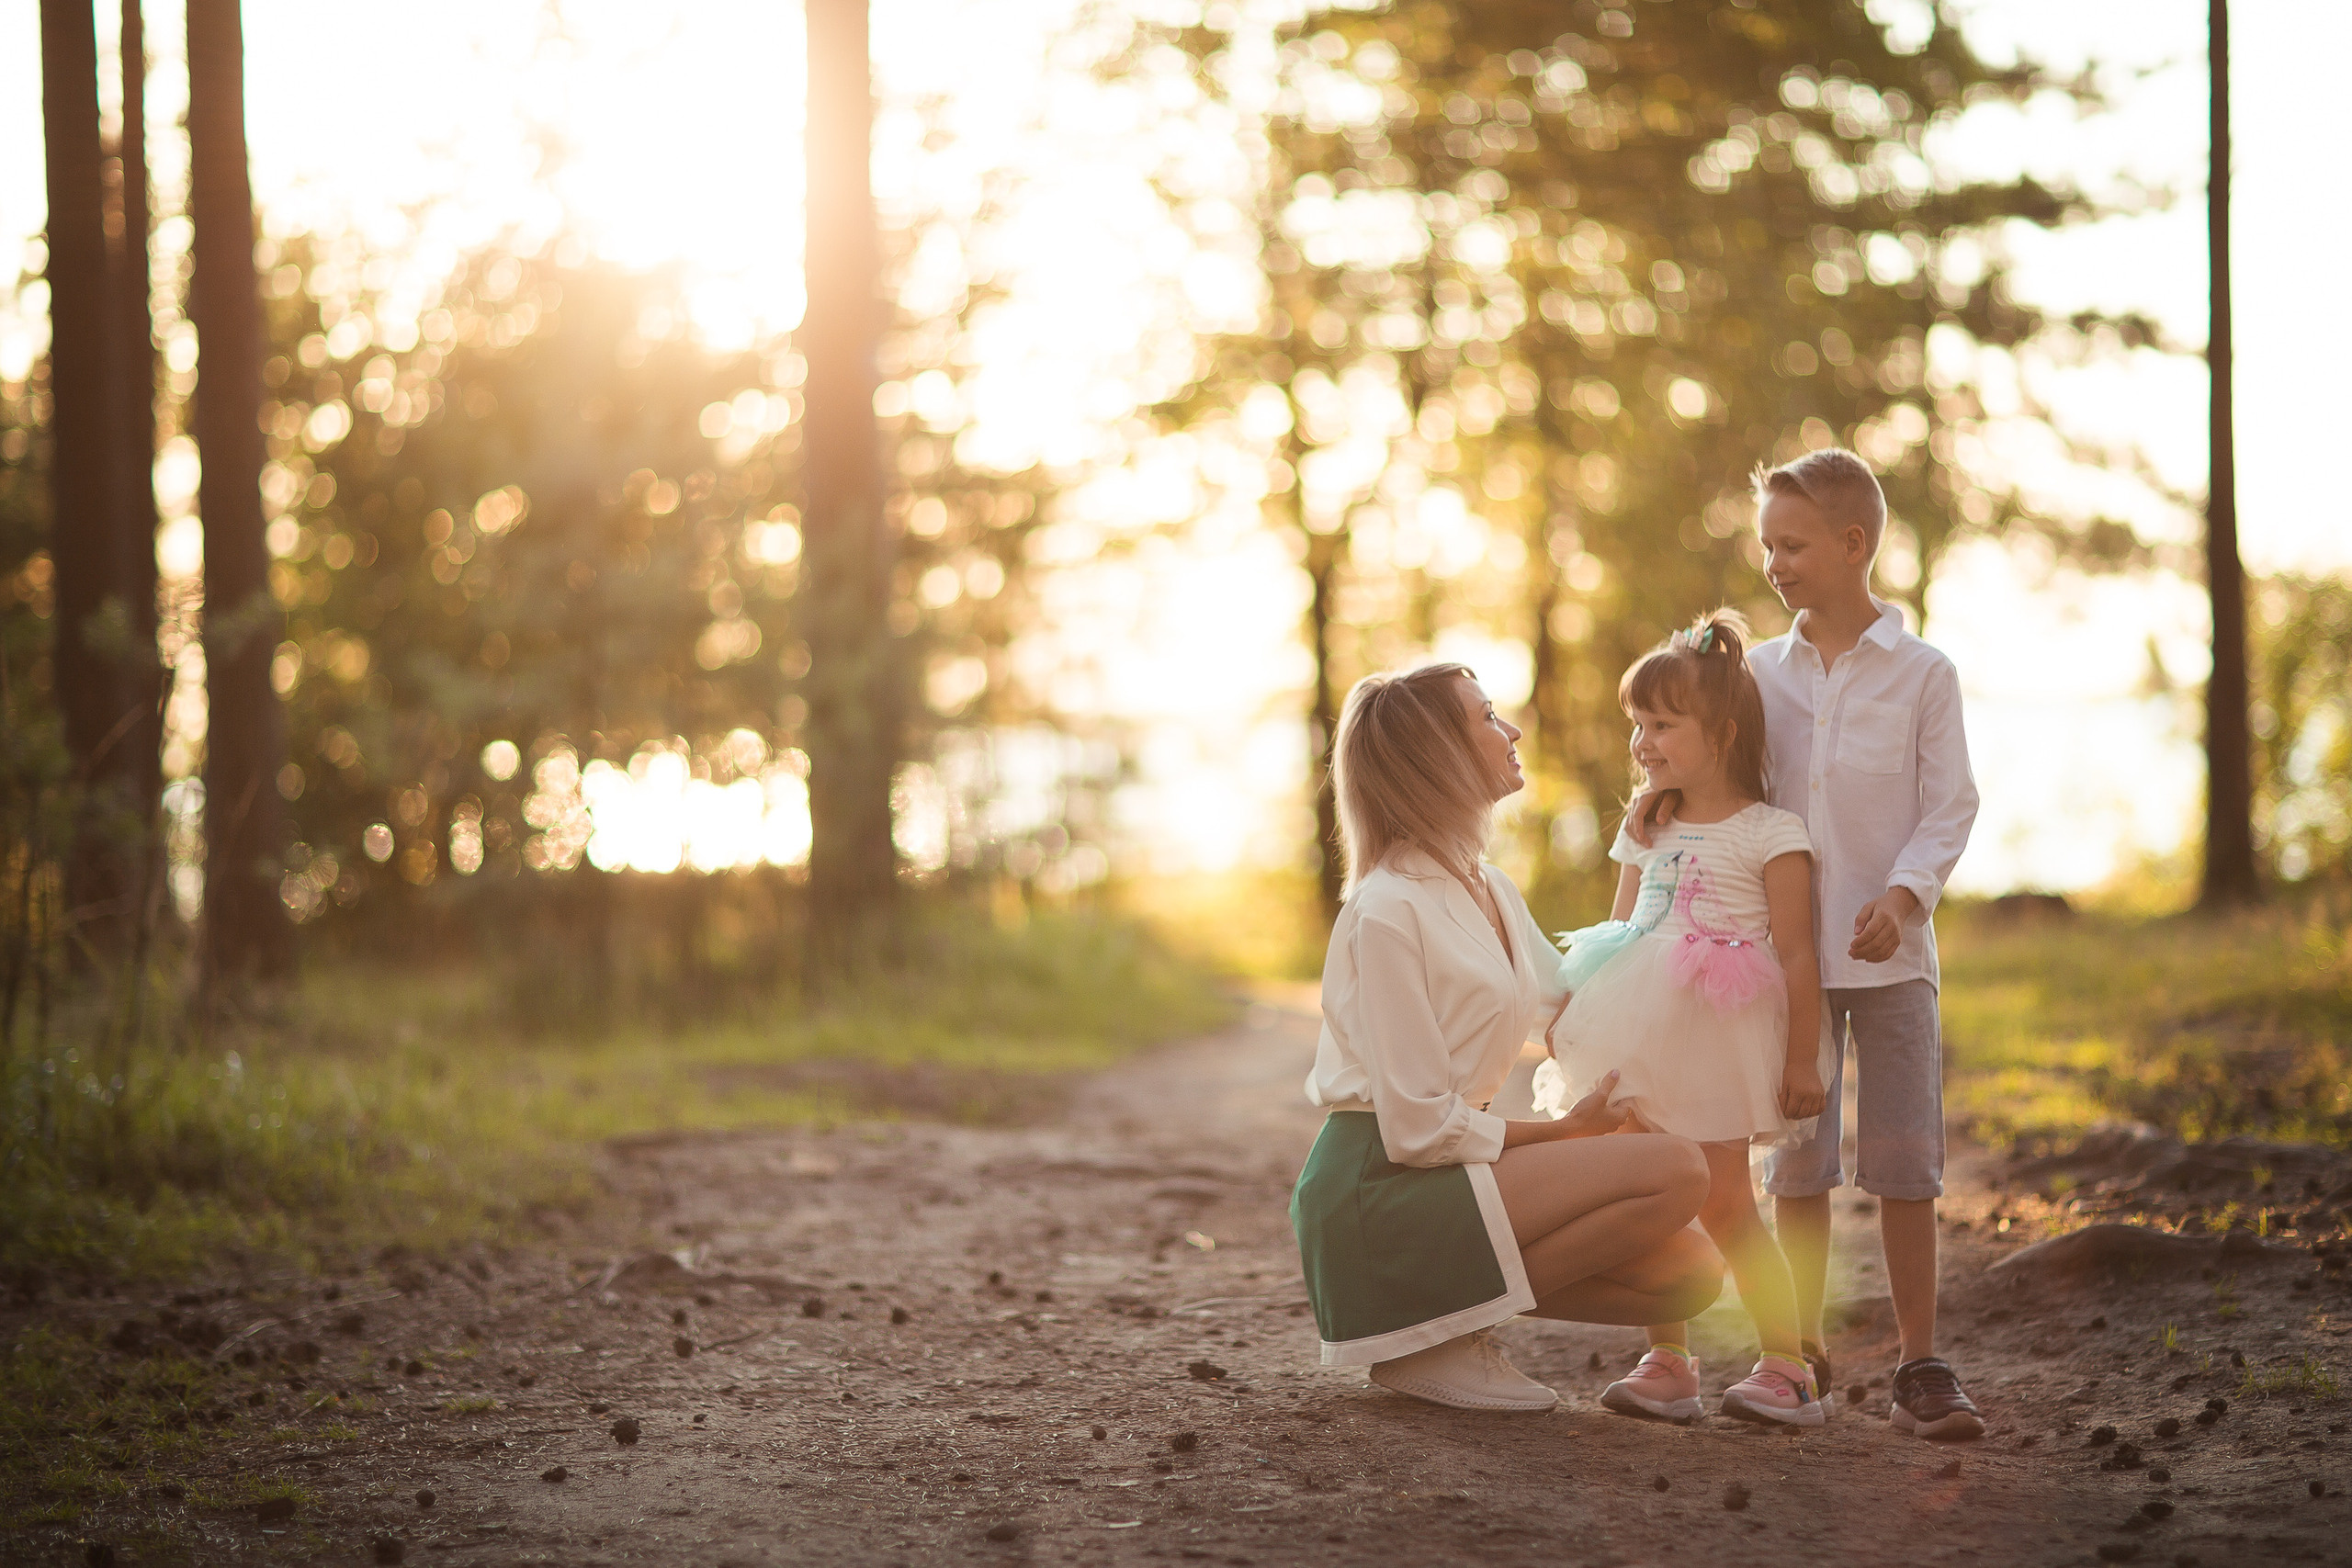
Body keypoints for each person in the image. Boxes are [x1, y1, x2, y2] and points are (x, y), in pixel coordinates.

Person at [1630, 447, 1984, 1439]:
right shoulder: (1760, 677)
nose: (1774, 562)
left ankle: (1919, 1361)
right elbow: (1720, 773)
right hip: (1776, 963)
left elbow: (1949, 803)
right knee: (1796, 1166)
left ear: (1852, 544)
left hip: (1891, 960)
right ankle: (1802, 1353)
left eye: (1791, 545)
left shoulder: (1923, 675)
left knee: (1906, 1162)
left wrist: (1906, 899)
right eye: (1767, 546)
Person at [1291, 662, 1724, 1413]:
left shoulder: (1487, 885)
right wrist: (1563, 1134)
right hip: (1377, 1188)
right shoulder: (1386, 909)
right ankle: (1434, 1333)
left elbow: (1575, 1002)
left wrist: (1652, 855)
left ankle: (1440, 1324)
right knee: (1676, 1170)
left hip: (1438, 1174)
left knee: (1689, 1269)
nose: (1513, 730)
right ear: (1439, 755)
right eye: (1488, 717)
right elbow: (1417, 1126)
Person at [1532, 609, 1833, 1427]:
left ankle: (1786, 1364)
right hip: (1638, 1030)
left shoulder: (1771, 831)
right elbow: (1618, 934)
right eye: (1639, 724)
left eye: (1663, 725)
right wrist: (1572, 1014)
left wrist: (1801, 1060)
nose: (1644, 742)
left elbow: (1798, 954)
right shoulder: (1646, 824)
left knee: (1729, 1201)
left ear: (1722, 732)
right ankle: (1669, 1360)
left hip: (1719, 1032)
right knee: (1647, 1192)